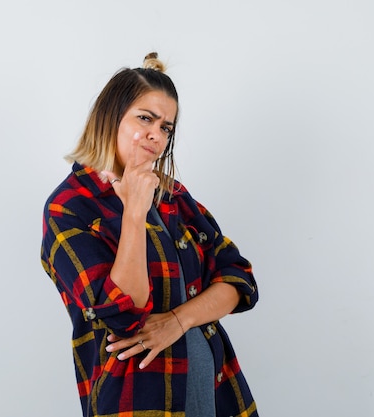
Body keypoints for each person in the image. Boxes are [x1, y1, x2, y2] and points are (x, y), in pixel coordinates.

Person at [40, 52, 259, 417]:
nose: (156, 136)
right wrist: (135, 211)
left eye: (166, 128)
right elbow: (123, 313)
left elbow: (239, 279)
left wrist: (178, 320)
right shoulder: (68, 208)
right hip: (134, 402)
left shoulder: (173, 195)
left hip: (214, 394)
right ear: (110, 118)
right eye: (145, 119)